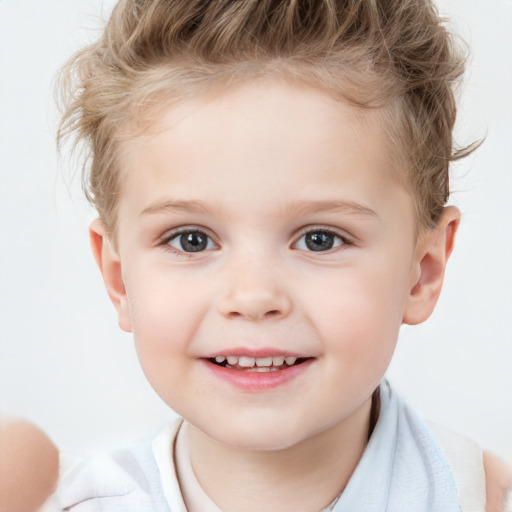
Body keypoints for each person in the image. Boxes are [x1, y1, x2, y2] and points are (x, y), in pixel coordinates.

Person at [47, 0, 511, 510]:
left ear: (423, 271)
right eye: (191, 239)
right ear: (119, 279)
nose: (253, 297)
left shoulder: (481, 497)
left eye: (320, 239)